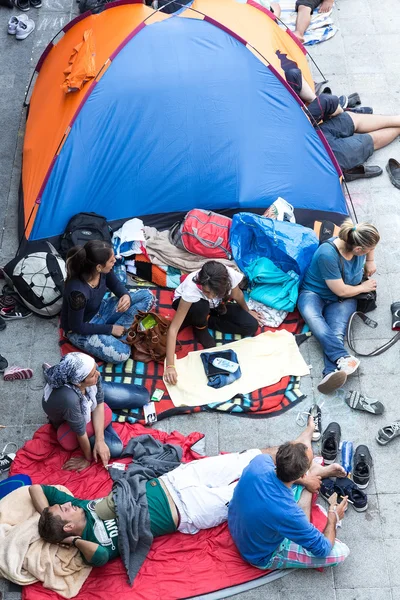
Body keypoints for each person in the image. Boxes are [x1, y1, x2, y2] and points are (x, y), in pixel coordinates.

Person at [30, 423, 344, 567]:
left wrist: (48, 520)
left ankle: (302, 459)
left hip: (175, 479)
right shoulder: (98, 544)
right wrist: (67, 539)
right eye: (65, 512)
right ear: (71, 529)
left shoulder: (84, 507)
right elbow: (97, 558)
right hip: (190, 510)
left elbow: (35, 489)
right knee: (248, 492)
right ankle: (308, 473)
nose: (68, 502)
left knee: (247, 457)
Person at [228, 418, 350, 571]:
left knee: (293, 510)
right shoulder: (289, 513)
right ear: (302, 475)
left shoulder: (260, 461)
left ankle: (314, 472)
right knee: (340, 552)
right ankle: (315, 471)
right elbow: (323, 549)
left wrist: (306, 482)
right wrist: (333, 518)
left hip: (237, 523)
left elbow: (281, 475)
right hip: (257, 554)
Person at [298, 219, 380, 394]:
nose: (368, 251)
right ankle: (342, 357)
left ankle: (330, 373)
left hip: (346, 296)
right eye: (366, 252)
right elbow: (341, 290)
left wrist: (370, 261)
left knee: (336, 331)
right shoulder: (327, 254)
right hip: (317, 293)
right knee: (314, 319)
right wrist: (363, 287)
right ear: (358, 249)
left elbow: (372, 244)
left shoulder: (361, 238)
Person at [42, 353, 149, 471]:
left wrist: (100, 440)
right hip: (70, 416)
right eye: (93, 374)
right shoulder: (70, 400)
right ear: (78, 382)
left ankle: (105, 415)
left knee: (143, 396)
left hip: (88, 390)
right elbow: (80, 432)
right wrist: (87, 459)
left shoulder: (90, 368)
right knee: (115, 449)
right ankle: (105, 416)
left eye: (95, 369)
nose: (98, 373)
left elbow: (98, 402)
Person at [163, 261, 262, 385]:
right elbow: (173, 329)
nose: (209, 295)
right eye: (206, 291)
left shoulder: (228, 276)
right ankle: (200, 327)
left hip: (216, 306)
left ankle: (207, 319)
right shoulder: (191, 289)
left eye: (212, 293)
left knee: (251, 325)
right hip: (192, 306)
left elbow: (238, 295)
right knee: (201, 307)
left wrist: (247, 311)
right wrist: (170, 366)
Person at [61, 240, 154, 364]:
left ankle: (122, 332)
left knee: (147, 296)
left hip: (100, 310)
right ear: (99, 266)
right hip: (82, 329)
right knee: (122, 354)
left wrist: (125, 295)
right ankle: (122, 333)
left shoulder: (103, 272)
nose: (115, 261)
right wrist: (110, 329)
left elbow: (115, 284)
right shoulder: (78, 293)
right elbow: (77, 326)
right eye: (111, 260)